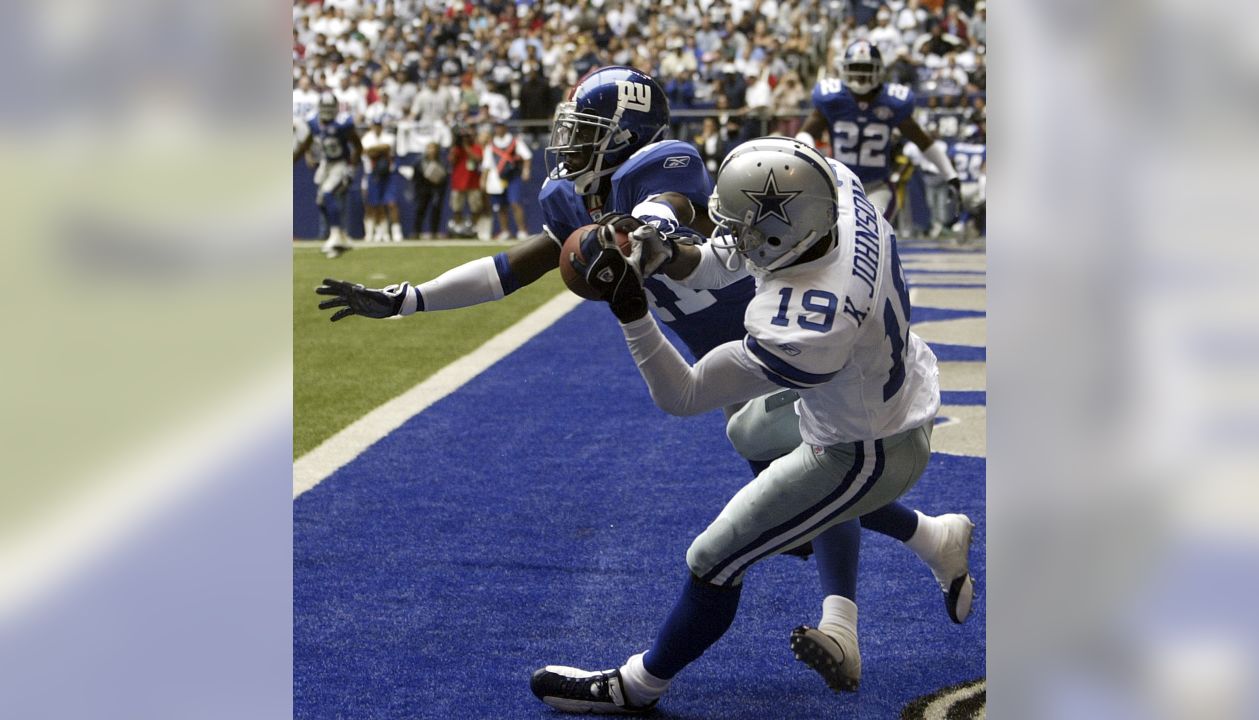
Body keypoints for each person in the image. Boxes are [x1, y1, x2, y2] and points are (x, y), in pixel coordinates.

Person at [314, 69, 973, 683]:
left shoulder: (661, 165)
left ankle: (844, 624)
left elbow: (673, 207)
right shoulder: (571, 199)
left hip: (788, 350)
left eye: (586, 134)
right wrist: (411, 299)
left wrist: (646, 230)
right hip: (739, 368)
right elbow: (509, 269)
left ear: (625, 139)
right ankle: (932, 538)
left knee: (812, 477)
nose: (568, 145)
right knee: (802, 493)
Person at [529, 137, 957, 713]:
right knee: (748, 432)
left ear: (784, 236)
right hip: (895, 381)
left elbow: (682, 395)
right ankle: (933, 537)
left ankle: (638, 686)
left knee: (714, 557)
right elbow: (734, 251)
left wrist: (633, 311)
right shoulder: (837, 186)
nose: (729, 234)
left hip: (866, 450)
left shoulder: (807, 322)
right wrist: (665, 251)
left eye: (743, 228)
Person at [797, 41, 960, 223]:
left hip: (877, 186)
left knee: (871, 233)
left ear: (879, 70)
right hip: (839, 185)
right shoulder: (832, 98)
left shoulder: (892, 101)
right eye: (855, 67)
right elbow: (806, 134)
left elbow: (922, 141)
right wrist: (805, 157)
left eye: (865, 68)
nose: (860, 74)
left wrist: (950, 174)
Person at [293, 92, 363, 258]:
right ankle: (342, 236)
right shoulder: (314, 122)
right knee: (321, 201)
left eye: (330, 108)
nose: (327, 111)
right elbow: (306, 143)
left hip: (340, 164)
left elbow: (358, 146)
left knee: (328, 194)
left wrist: (352, 166)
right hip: (326, 163)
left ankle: (335, 235)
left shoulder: (343, 123)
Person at [480, 120, 533, 241]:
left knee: (515, 203)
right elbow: (487, 164)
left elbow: (527, 156)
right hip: (498, 179)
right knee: (500, 206)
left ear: (505, 128)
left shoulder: (515, 141)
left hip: (513, 176)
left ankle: (522, 230)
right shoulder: (491, 145)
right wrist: (484, 180)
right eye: (496, 127)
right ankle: (505, 231)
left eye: (500, 127)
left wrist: (526, 171)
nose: (498, 129)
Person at [360, 117, 403, 242]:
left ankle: (396, 231)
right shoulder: (367, 138)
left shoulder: (389, 136)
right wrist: (379, 150)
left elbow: (387, 147)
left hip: (388, 173)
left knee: (391, 202)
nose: (377, 127)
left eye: (379, 125)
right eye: (375, 125)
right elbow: (367, 152)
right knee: (375, 204)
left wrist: (375, 149)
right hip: (373, 174)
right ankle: (380, 232)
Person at [446, 126, 484, 238]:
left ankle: (474, 227)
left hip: (473, 182)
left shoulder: (476, 147)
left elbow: (477, 159)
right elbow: (451, 161)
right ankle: (457, 228)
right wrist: (455, 144)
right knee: (456, 207)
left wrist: (466, 146)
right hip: (458, 182)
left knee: (475, 207)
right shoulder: (456, 148)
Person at [411, 141, 449, 240]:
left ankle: (434, 232)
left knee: (436, 210)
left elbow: (445, 177)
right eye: (429, 148)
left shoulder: (441, 161)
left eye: (433, 148)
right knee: (420, 210)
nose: (431, 151)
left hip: (436, 189)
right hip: (423, 189)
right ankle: (416, 232)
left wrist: (438, 180)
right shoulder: (420, 161)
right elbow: (415, 177)